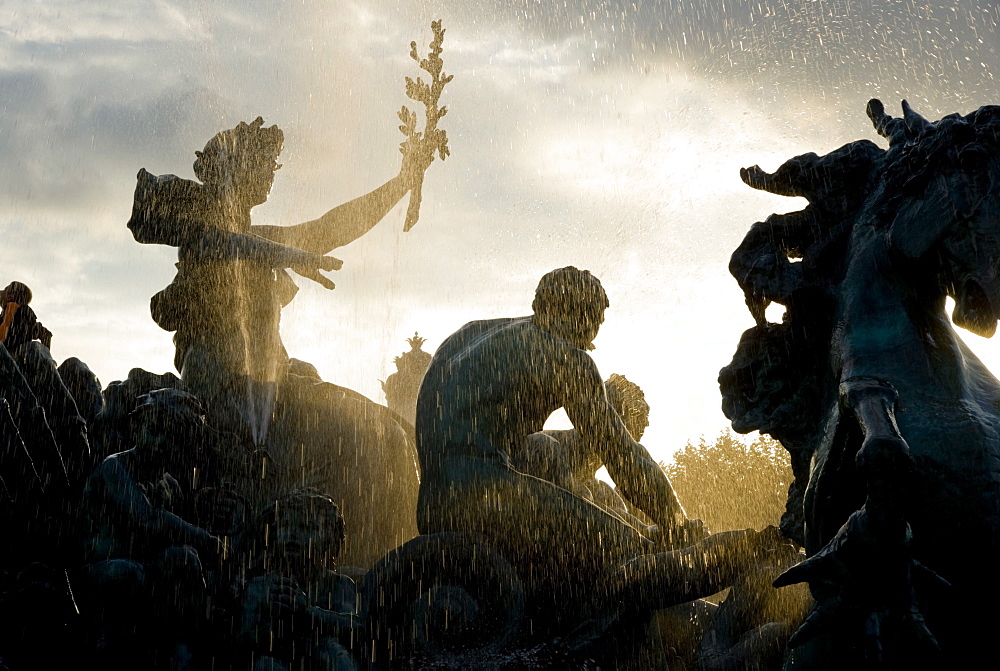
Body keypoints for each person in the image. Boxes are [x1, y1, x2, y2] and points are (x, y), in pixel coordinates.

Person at [416, 267, 780, 615]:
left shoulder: (472, 333)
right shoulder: (566, 359)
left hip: (435, 502)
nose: (593, 338)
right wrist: (676, 525)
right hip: (483, 496)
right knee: (629, 557)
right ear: (583, 317)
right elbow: (621, 454)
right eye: (595, 325)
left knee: (596, 533)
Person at [127, 117, 432, 443]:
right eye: (262, 163)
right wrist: (293, 256)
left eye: (272, 164)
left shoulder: (257, 239)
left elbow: (329, 229)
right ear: (235, 168)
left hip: (271, 377)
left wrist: (401, 182)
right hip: (219, 379)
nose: (271, 172)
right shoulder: (201, 231)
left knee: (364, 422)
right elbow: (234, 245)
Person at [237, 489, 359, 671]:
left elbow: (355, 628)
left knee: (333, 651)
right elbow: (243, 641)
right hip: (277, 662)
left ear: (329, 539)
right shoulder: (260, 586)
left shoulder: (339, 584)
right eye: (285, 526)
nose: (292, 534)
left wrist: (307, 612)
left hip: (321, 661)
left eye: (306, 528)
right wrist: (272, 622)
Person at [514, 373, 651, 528]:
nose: (646, 424)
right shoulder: (544, 447)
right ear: (602, 420)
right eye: (636, 419)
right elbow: (582, 513)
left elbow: (634, 534)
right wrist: (647, 535)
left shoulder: (605, 493)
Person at [0, 281, 52, 351]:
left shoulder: (22, 313)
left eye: (5, 290)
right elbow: (46, 334)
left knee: (34, 346)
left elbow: (45, 334)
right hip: (13, 357)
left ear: (10, 297)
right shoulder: (7, 315)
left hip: (12, 357)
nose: (1, 291)